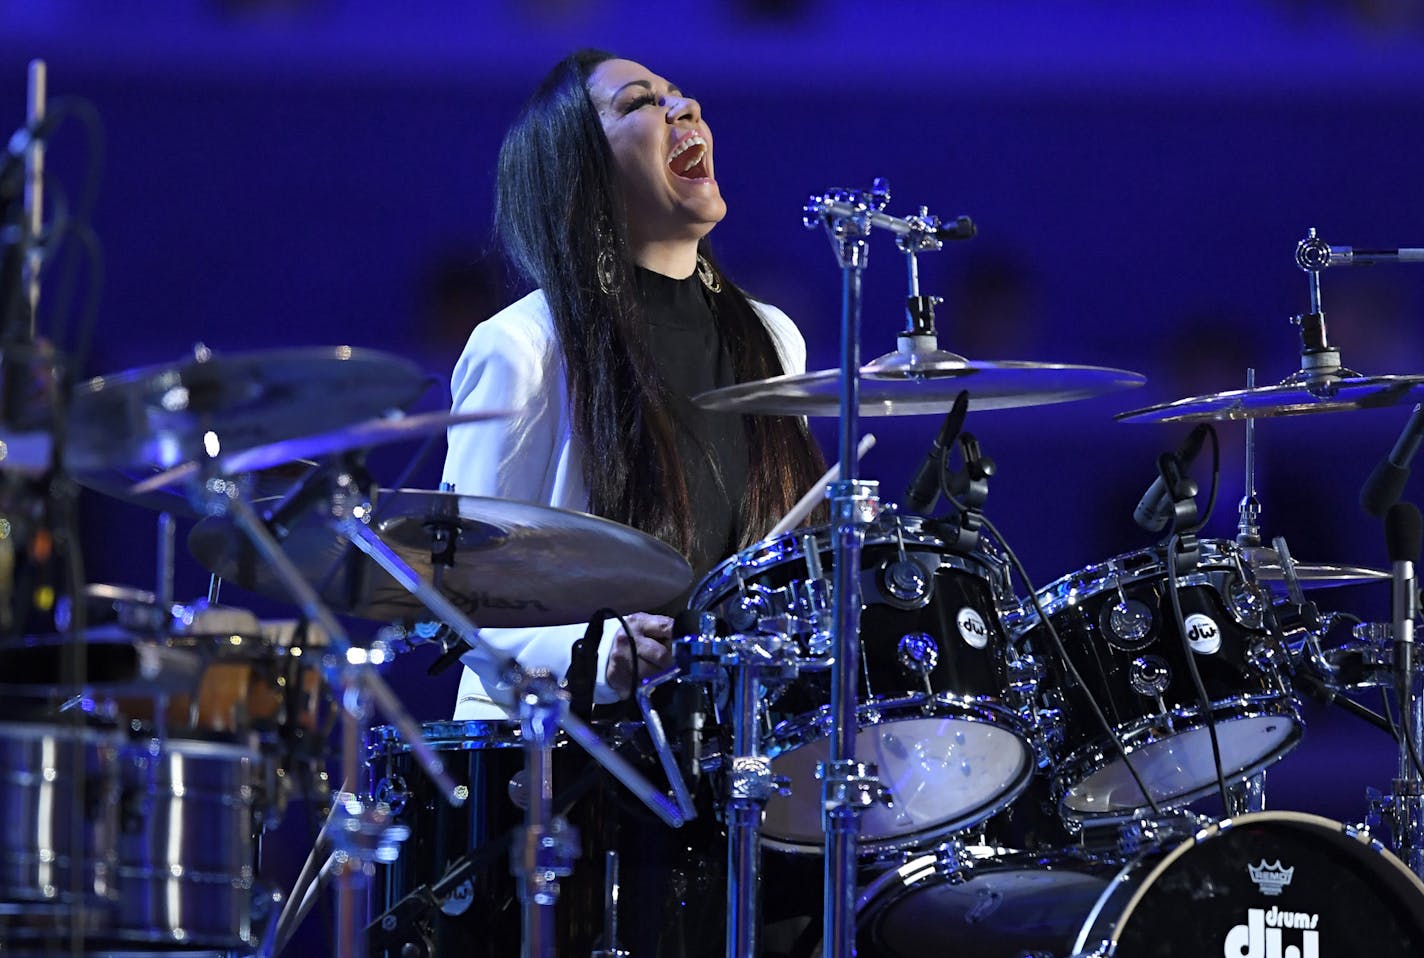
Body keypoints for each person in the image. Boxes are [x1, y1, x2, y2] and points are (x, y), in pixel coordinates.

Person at [433, 49, 828, 958]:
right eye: (642, 105)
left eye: (685, 98)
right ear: (579, 164)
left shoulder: (772, 336)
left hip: (735, 772)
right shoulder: (523, 346)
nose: (684, 111)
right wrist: (593, 654)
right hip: (562, 783)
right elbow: (453, 593)